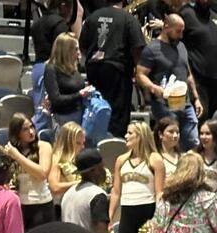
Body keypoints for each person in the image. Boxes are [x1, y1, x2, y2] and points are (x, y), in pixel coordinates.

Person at [80, 0, 146, 137]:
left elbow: (83, 46)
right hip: (117, 70)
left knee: (96, 106)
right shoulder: (128, 19)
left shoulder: (92, 17)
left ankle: (93, 140)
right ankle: (114, 145)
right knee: (117, 113)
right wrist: (137, 72)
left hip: (93, 68)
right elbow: (137, 48)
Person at [136, 13, 201, 150]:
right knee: (170, 140)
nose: (181, 35)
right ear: (166, 27)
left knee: (193, 140)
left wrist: (196, 98)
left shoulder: (181, 46)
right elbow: (140, 74)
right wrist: (153, 88)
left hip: (185, 102)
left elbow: (188, 74)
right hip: (164, 103)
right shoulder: (152, 49)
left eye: (182, 31)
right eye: (178, 31)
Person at [109, 120, 158, 233]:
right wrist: (110, 216)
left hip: (148, 210)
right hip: (127, 210)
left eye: (130, 133)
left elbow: (160, 192)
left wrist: (159, 219)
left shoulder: (155, 160)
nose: (125, 136)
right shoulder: (121, 160)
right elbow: (116, 191)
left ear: (140, 136)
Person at [4, 113, 56, 230]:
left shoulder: (43, 146)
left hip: (41, 204)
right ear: (16, 133)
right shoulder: (12, 151)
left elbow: (42, 174)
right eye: (25, 129)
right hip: (19, 205)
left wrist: (17, 156)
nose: (31, 132)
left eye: (32, 127)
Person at [60, 148, 117, 233]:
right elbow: (102, 232)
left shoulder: (68, 194)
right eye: (102, 167)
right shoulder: (96, 194)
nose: (105, 171)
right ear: (95, 170)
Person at [181, 0, 217, 117]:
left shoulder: (216, 17)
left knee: (215, 122)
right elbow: (179, 45)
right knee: (201, 117)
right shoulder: (186, 14)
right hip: (198, 79)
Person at [44, 31, 91, 129]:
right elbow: (56, 99)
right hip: (63, 119)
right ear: (66, 50)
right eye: (76, 49)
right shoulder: (51, 69)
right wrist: (80, 94)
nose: (79, 52)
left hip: (80, 115)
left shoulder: (74, 68)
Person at [48, 120, 86, 207]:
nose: (82, 147)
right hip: (60, 208)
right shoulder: (55, 159)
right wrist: (80, 183)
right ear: (68, 142)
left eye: (83, 143)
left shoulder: (77, 160)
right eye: (78, 143)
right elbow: (55, 187)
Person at [151, 114, 182, 193]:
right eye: (171, 132)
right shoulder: (154, 157)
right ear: (160, 134)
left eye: (177, 132)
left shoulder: (182, 157)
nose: (175, 135)